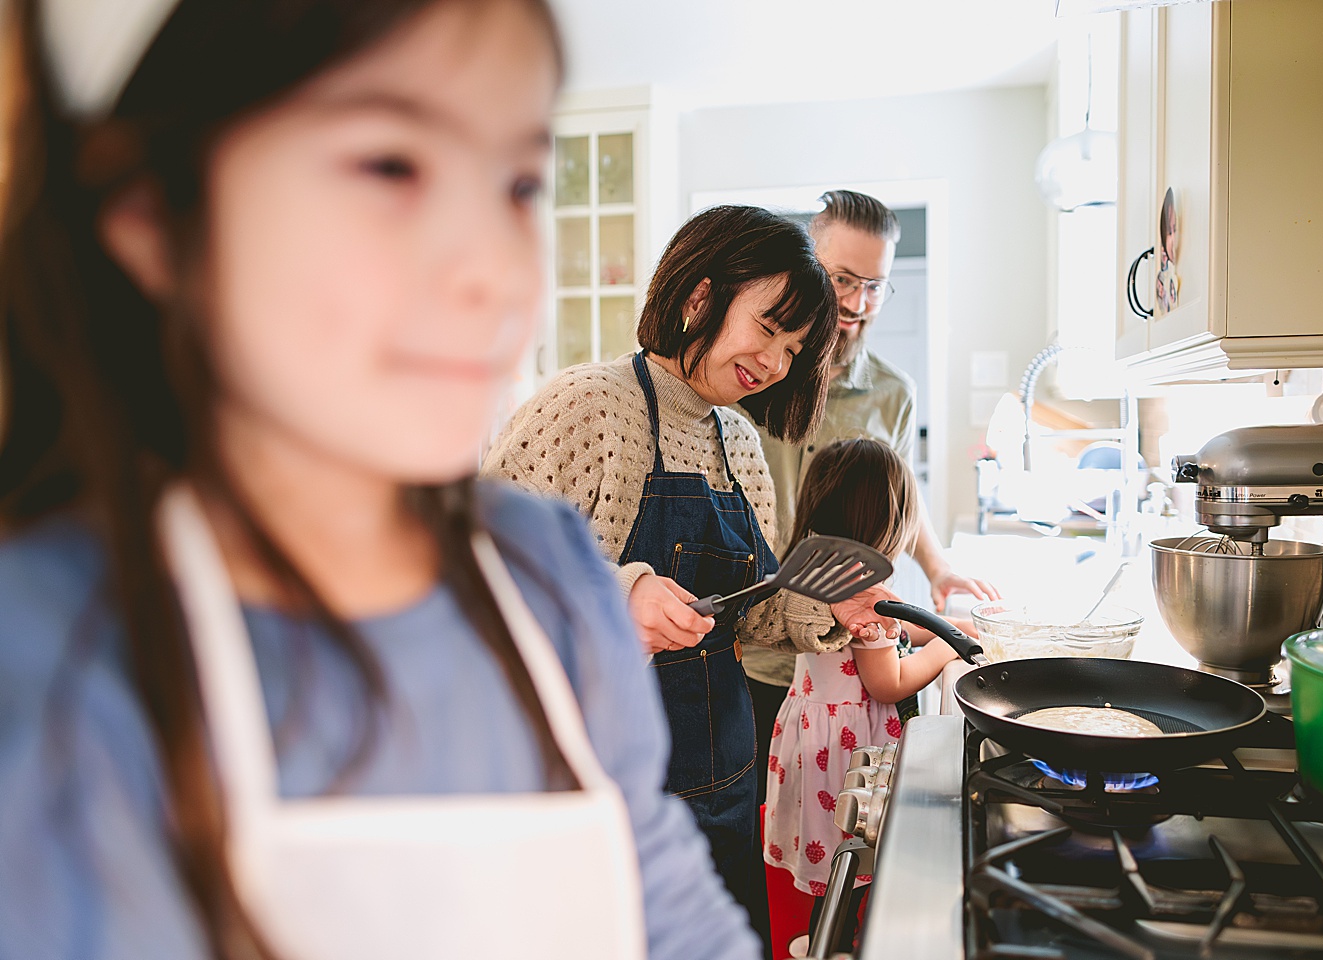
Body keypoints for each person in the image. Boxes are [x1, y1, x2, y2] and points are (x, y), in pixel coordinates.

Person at [0, 1, 762, 958]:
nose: (493, 269)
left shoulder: (545, 571)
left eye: (519, 184)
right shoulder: (49, 666)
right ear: (152, 211)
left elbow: (665, 909)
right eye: (390, 165)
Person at [483, 205, 902, 946]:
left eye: (795, 348)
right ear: (699, 297)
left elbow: (762, 615)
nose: (775, 364)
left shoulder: (738, 440)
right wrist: (622, 592)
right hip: (605, 795)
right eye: (769, 330)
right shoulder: (588, 406)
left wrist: (836, 604)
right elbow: (480, 567)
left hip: (725, 781)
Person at [743, 189, 1000, 776]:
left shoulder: (894, 394)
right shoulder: (756, 373)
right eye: (843, 279)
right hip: (762, 652)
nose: (859, 302)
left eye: (876, 285)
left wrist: (938, 570)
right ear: (808, 264)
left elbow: (900, 500)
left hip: (857, 643)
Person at [763, 439, 970, 950]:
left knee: (838, 869)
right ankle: (834, 944)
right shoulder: (859, 587)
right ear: (892, 520)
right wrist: (947, 648)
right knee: (850, 862)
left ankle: (825, 937)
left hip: (819, 737)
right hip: (847, 749)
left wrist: (946, 627)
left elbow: (893, 634)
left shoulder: (822, 568)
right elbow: (888, 680)